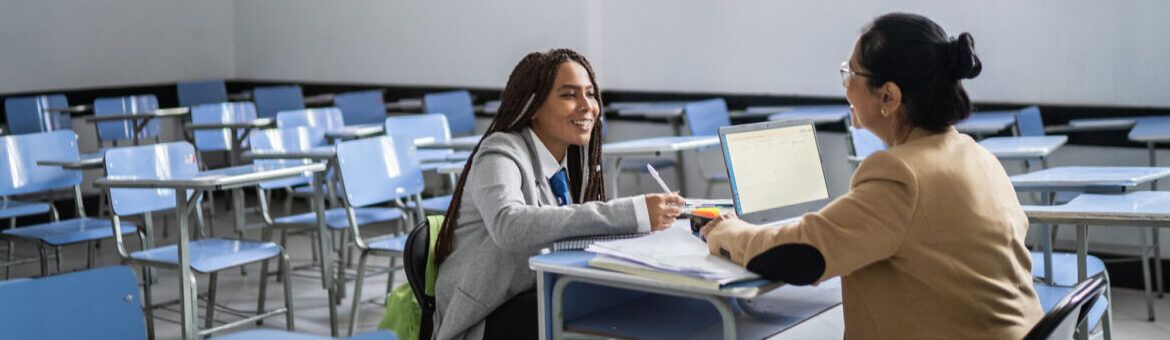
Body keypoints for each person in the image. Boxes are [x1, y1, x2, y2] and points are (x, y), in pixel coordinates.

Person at [701, 13, 1043, 339]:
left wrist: (728, 231)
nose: (845, 86)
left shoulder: (901, 173)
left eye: (850, 74)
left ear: (888, 96)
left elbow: (803, 255)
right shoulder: (974, 153)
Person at [431, 48, 684, 340]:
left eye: (590, 94)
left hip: (535, 292)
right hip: (485, 316)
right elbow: (509, 225)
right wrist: (632, 213)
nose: (587, 105)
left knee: (624, 307)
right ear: (533, 105)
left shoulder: (570, 163)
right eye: (569, 95)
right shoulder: (498, 152)